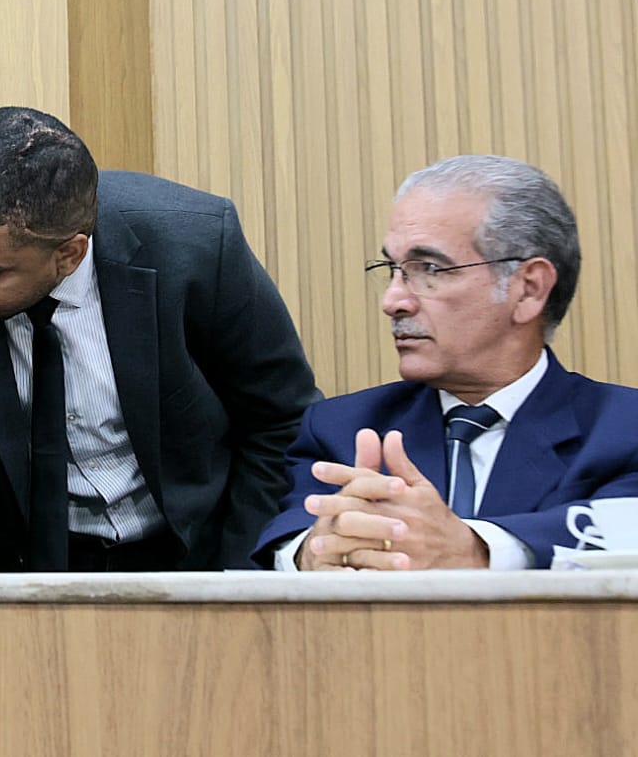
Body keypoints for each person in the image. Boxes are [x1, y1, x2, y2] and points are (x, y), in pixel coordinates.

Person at [0, 106, 321, 571]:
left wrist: (242, 580)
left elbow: (281, 424)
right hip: (11, 581)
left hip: (195, 559)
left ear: (69, 254)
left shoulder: (195, 247)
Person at [255, 155, 638, 571]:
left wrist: (476, 549)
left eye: (431, 269)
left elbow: (619, 533)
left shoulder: (622, 431)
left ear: (528, 288)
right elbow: (290, 535)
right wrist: (312, 554)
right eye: (392, 269)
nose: (393, 301)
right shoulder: (344, 429)